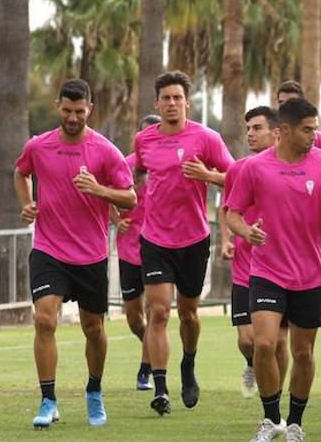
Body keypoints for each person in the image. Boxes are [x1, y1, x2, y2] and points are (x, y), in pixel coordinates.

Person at [223, 98, 321, 442]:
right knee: (264, 343)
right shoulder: (255, 168)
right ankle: (271, 419)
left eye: (316, 128)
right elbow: (233, 213)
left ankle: (296, 425)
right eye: (307, 130)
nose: (314, 136)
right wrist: (245, 232)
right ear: (283, 131)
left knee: (303, 352)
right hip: (267, 272)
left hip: (309, 276)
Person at [15, 79, 136, 428]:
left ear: (90, 109)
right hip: (48, 249)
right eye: (67, 111)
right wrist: (27, 203)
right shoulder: (39, 146)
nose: (72, 117)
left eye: (79, 112)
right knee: (44, 319)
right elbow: (20, 172)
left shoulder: (104, 150)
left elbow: (131, 198)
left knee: (93, 328)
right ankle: (48, 400)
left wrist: (97, 189)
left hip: (91, 254)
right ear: (58, 106)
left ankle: (94, 391)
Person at [132, 71, 232, 415]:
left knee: (188, 313)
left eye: (178, 98)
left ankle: (188, 363)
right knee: (157, 310)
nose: (172, 104)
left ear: (187, 102)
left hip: (193, 239)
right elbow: (137, 173)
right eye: (166, 98)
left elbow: (236, 178)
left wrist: (208, 176)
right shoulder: (143, 140)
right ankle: (160, 389)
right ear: (157, 103)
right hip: (155, 238)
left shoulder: (206, 138)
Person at [221, 106, 285, 399]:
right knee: (249, 341)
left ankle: (274, 400)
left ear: (276, 132)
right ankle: (251, 363)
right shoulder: (238, 169)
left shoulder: (291, 168)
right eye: (248, 128)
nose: (250, 134)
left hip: (281, 271)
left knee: (276, 343)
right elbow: (227, 210)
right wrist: (227, 240)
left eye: (257, 128)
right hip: (245, 270)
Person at [113, 113, 161, 391]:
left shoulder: (167, 167)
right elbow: (103, 193)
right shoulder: (124, 165)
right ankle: (155, 347)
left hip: (157, 247)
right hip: (129, 248)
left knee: (155, 311)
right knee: (134, 317)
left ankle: (147, 368)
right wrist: (116, 220)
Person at [275, 80, 321, 153]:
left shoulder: (317, 138)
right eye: (281, 103)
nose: (286, 107)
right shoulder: (272, 135)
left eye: (292, 102)